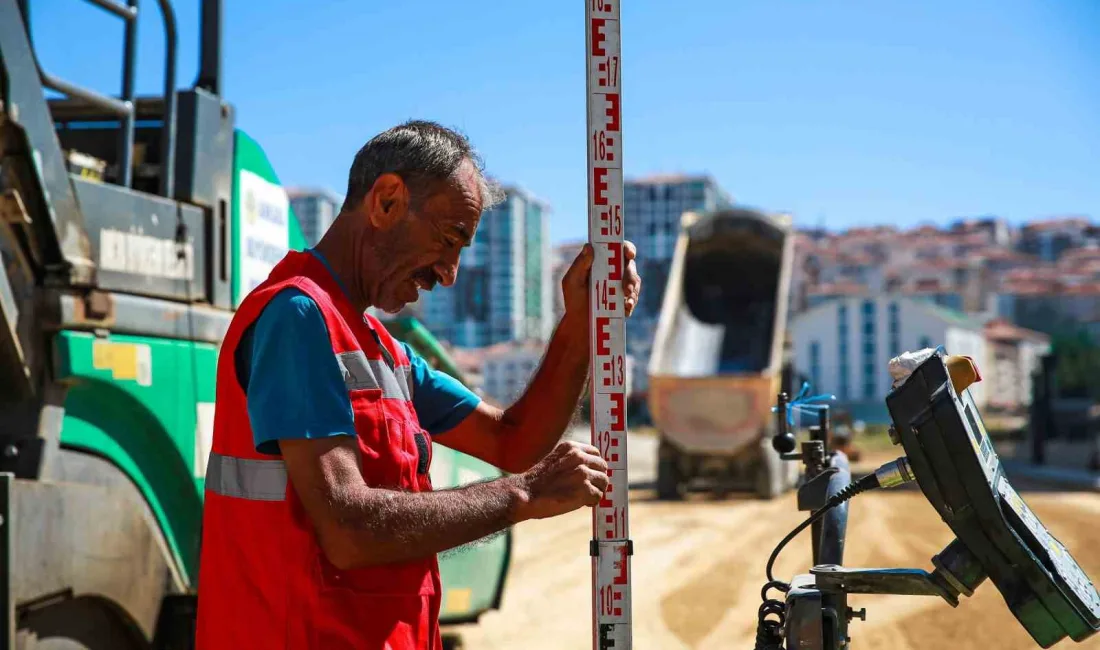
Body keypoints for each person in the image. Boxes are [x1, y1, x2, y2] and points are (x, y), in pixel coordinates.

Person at [195, 120, 641, 650]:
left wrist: (578, 327)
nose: (450, 273)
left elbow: (512, 440)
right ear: (386, 201)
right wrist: (525, 493)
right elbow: (349, 529)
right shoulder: (299, 317)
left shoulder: (382, 350)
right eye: (450, 238)